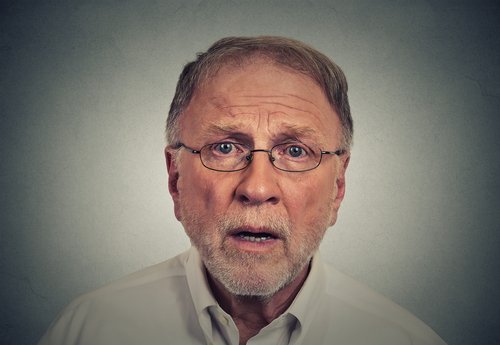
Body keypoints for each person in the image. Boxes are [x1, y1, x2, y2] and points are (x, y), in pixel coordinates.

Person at [38, 36, 446, 345]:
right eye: (226, 147)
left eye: (296, 151)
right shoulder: (87, 329)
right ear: (175, 178)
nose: (258, 187)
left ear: (338, 187)